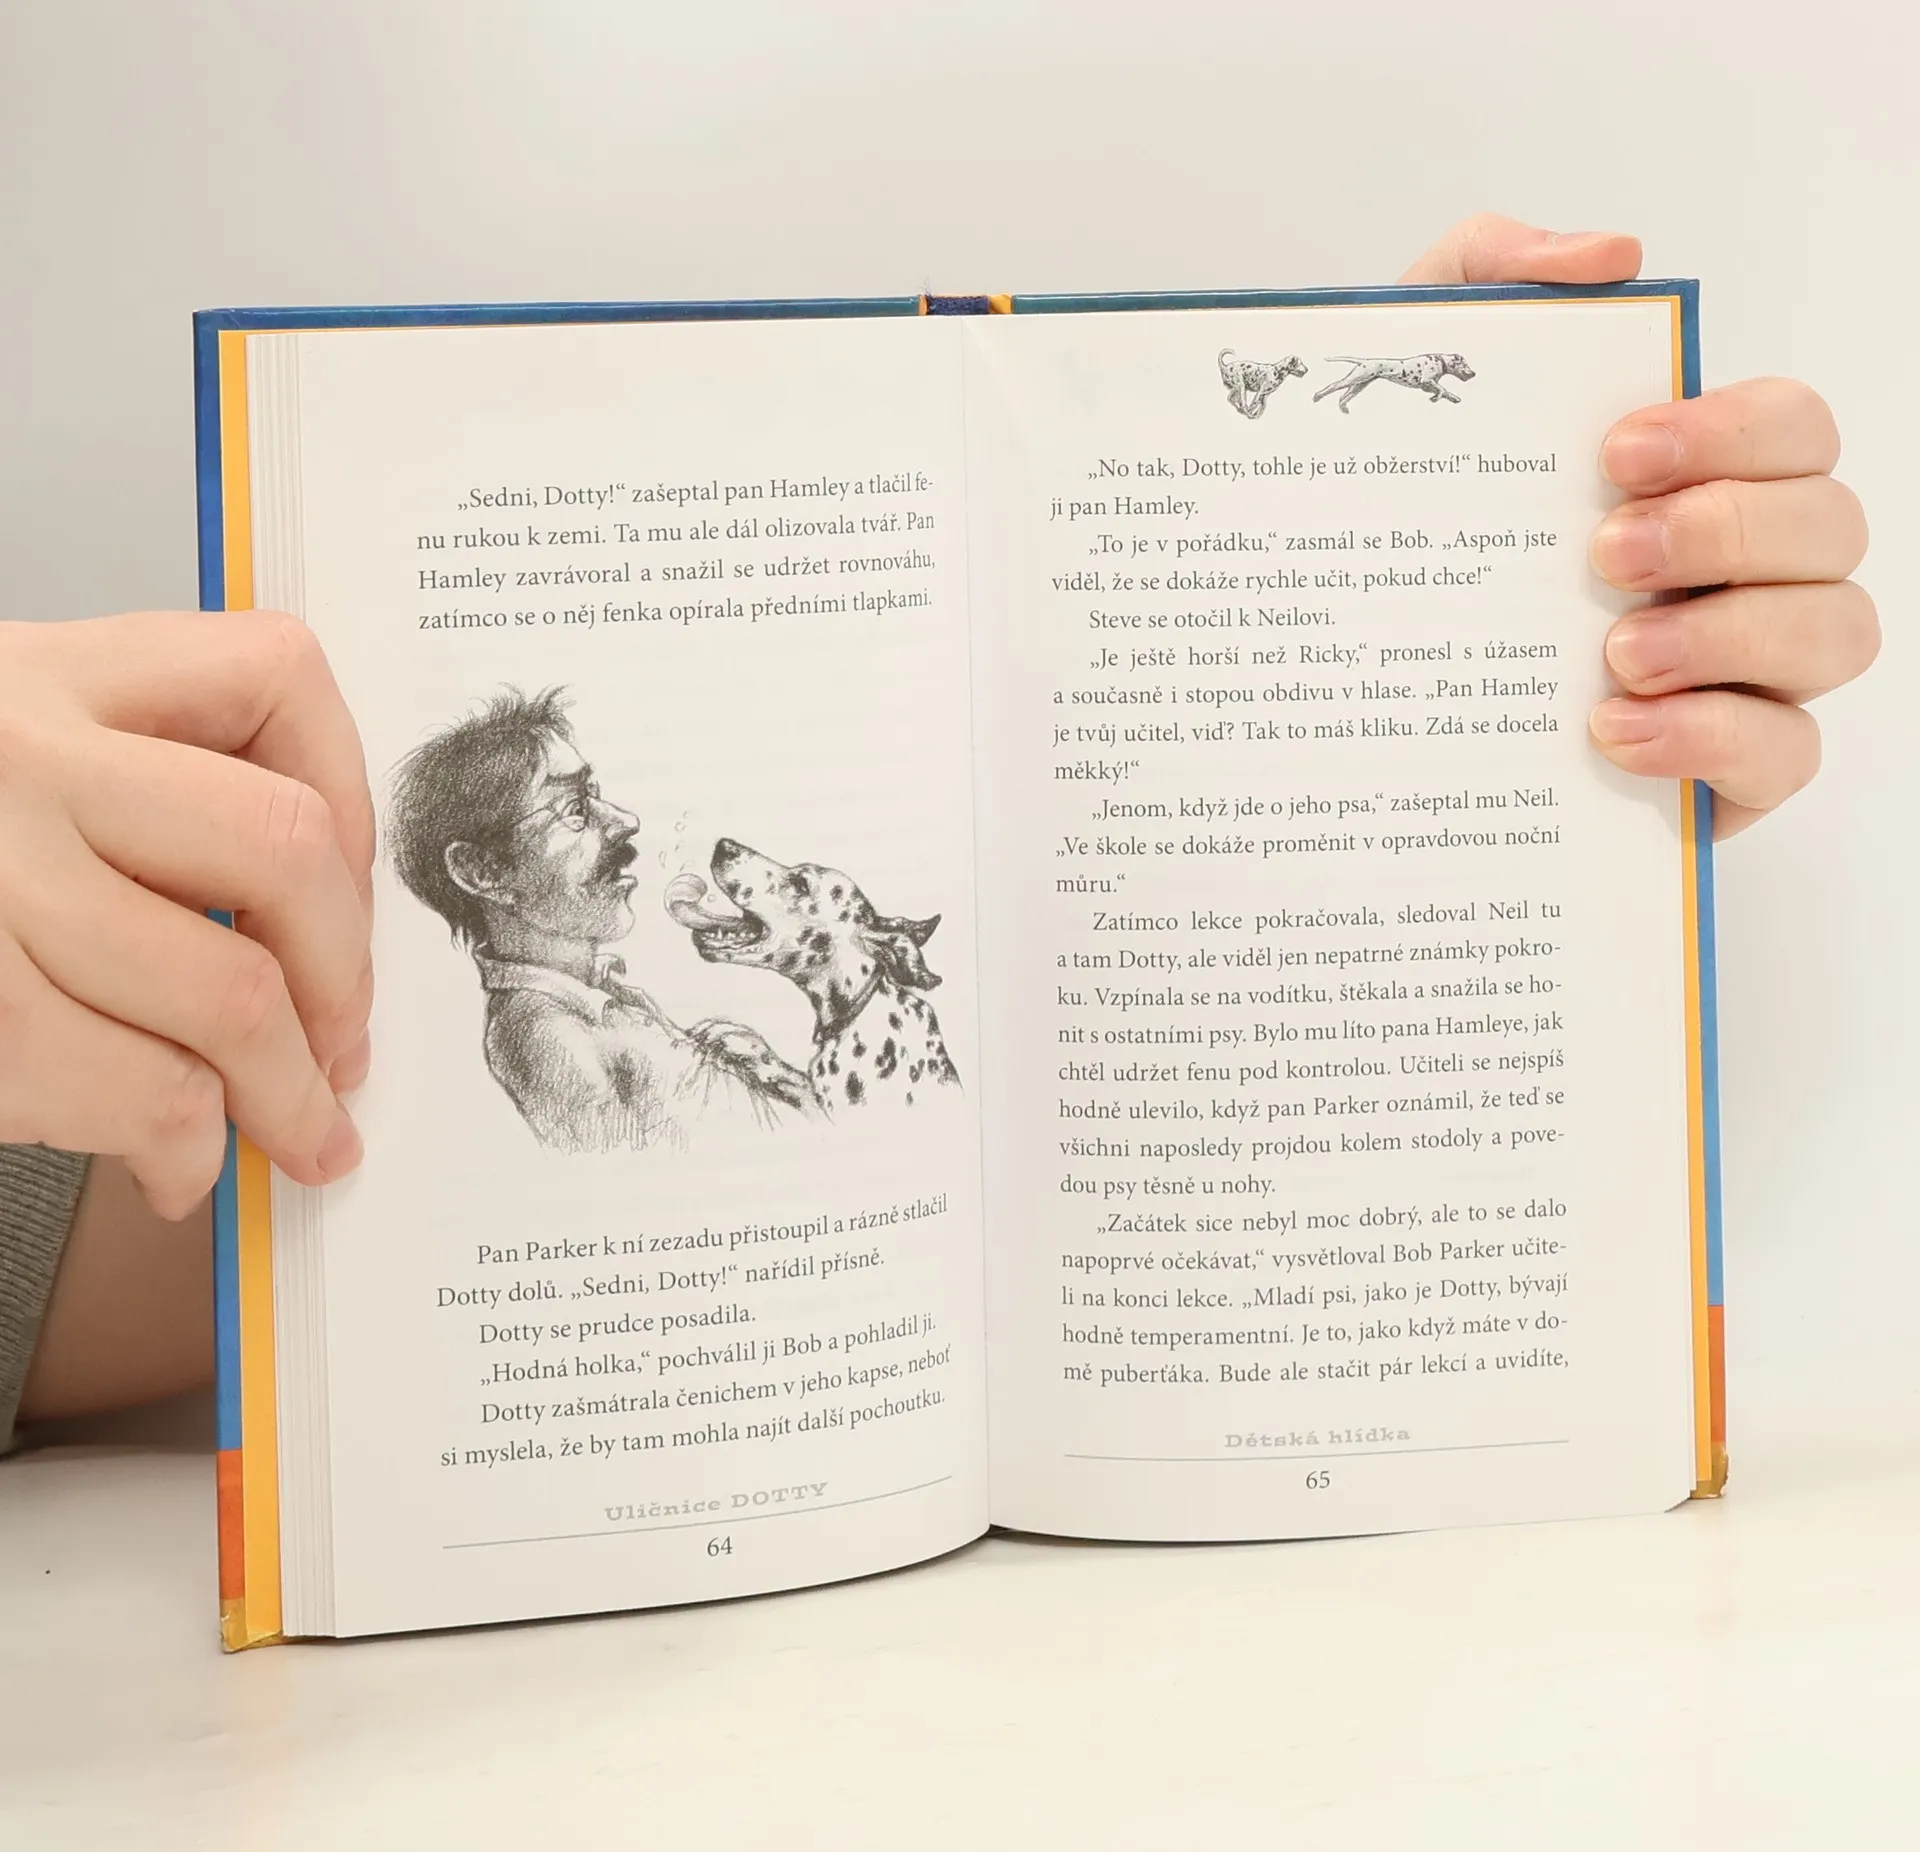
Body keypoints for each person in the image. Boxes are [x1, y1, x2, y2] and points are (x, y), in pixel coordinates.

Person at [0, 216, 1880, 1443]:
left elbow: (141, 1217)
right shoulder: (557, 1040)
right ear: (485, 869)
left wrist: (1380, 720)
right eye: (576, 805)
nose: (633, 828)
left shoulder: (575, 1022)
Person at [385, 686, 813, 1150]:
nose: (625, 821)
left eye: (594, 795)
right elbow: (634, 1170)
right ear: (482, 871)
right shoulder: (545, 1034)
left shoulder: (595, 997)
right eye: (575, 810)